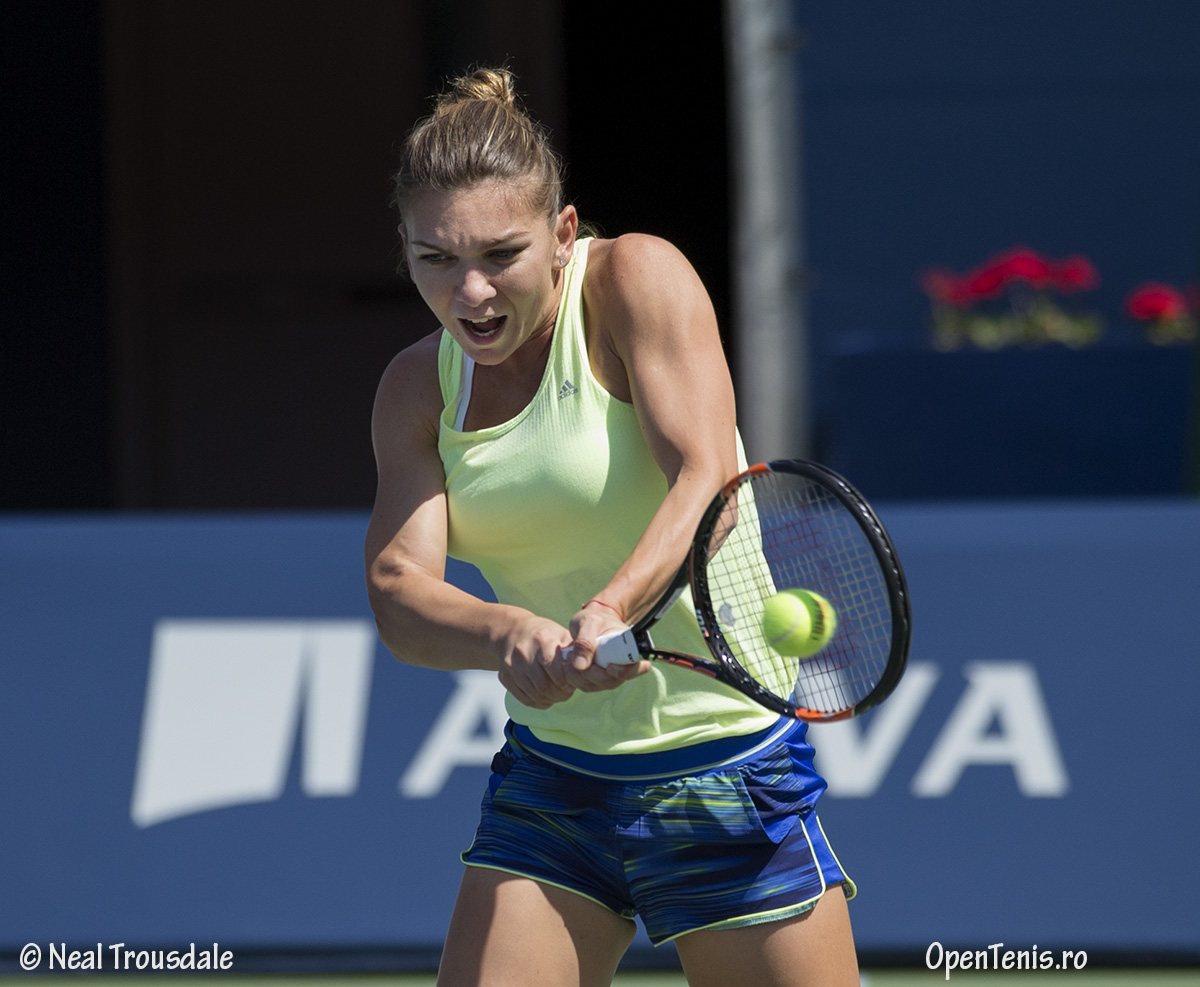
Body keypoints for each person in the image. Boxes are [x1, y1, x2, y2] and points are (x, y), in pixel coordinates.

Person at [365, 67, 859, 987]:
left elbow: (707, 475)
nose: (470, 292)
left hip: (723, 772)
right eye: (436, 258)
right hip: (554, 782)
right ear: (404, 246)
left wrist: (610, 605)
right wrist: (511, 631)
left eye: (500, 254)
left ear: (562, 234)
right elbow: (400, 597)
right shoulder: (412, 390)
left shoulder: (636, 277)